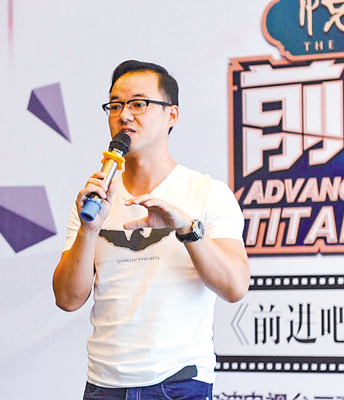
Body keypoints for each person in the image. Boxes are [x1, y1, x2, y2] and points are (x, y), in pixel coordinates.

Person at [53, 60, 250, 400]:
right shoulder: (95, 198)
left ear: (172, 114)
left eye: (138, 104)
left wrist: (186, 228)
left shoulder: (207, 192)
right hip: (103, 384)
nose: (124, 115)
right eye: (116, 105)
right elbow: (68, 299)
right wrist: (88, 230)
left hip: (179, 383)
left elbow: (235, 287)